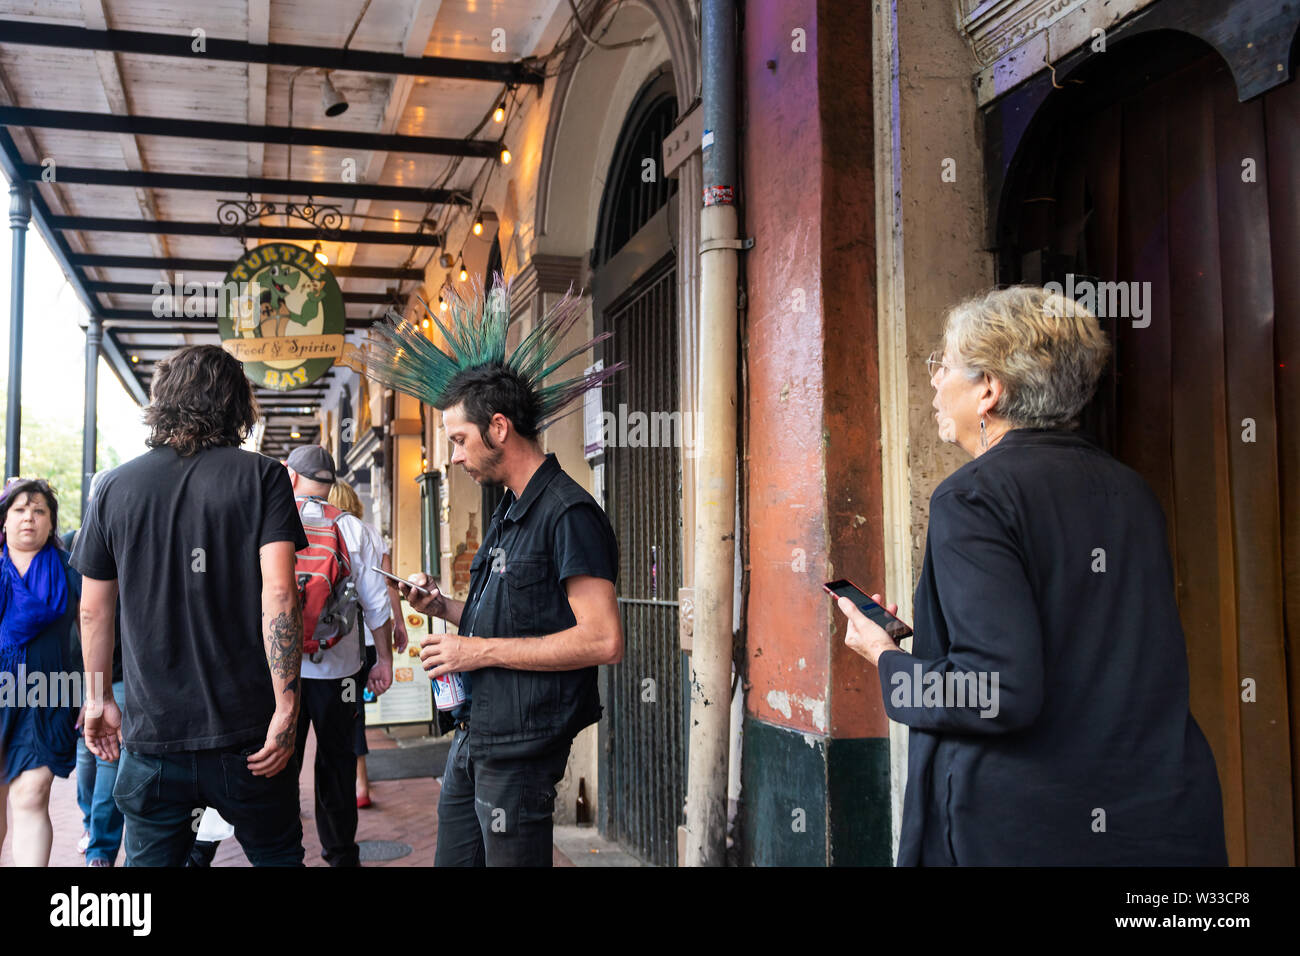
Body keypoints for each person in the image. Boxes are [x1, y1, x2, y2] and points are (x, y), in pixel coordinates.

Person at [837, 285, 1227, 865]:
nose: (934, 383)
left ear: (989, 389)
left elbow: (997, 692)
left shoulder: (971, 497)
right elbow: (1082, 633)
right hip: (1155, 816)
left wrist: (886, 658)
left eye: (942, 366)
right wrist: (942, 631)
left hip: (1027, 828)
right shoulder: (1130, 491)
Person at [365, 277, 625, 867]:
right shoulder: (511, 507)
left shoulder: (568, 513)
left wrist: (473, 653)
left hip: (522, 744)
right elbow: (517, 615)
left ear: (499, 428)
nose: (453, 455)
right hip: (476, 733)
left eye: (459, 439)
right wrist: (445, 610)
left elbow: (603, 639)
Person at [71, 344, 309, 866]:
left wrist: (96, 699)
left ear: (164, 401)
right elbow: (280, 594)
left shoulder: (111, 488)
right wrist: (288, 707)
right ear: (236, 405)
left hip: (153, 737)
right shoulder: (263, 477)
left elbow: (92, 611)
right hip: (249, 738)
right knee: (277, 858)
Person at [284, 445, 394, 866]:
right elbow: (376, 605)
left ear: (293, 478)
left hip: (284, 673)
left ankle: (283, 853)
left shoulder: (271, 520)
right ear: (330, 485)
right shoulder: (352, 528)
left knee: (281, 764)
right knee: (337, 766)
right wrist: (382, 661)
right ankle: (341, 856)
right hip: (343, 674)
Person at [0, 478, 80, 866]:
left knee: (31, 794)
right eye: (19, 509)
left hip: (50, 694)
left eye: (39, 510)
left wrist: (96, 693)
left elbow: (95, 630)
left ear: (51, 522)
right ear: (4, 520)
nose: (28, 518)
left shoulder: (71, 571)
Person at [326, 478, 408, 809]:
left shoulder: (325, 529)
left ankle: (347, 782)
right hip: (371, 636)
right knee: (358, 710)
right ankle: (361, 781)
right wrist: (398, 623)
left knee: (341, 712)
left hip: (337, 641)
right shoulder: (370, 532)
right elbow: (388, 587)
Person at [66, 473, 126, 867]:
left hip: (123, 672)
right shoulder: (69, 546)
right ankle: (90, 821)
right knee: (86, 759)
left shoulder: (135, 538)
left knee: (108, 754)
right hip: (77, 672)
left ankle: (102, 847)